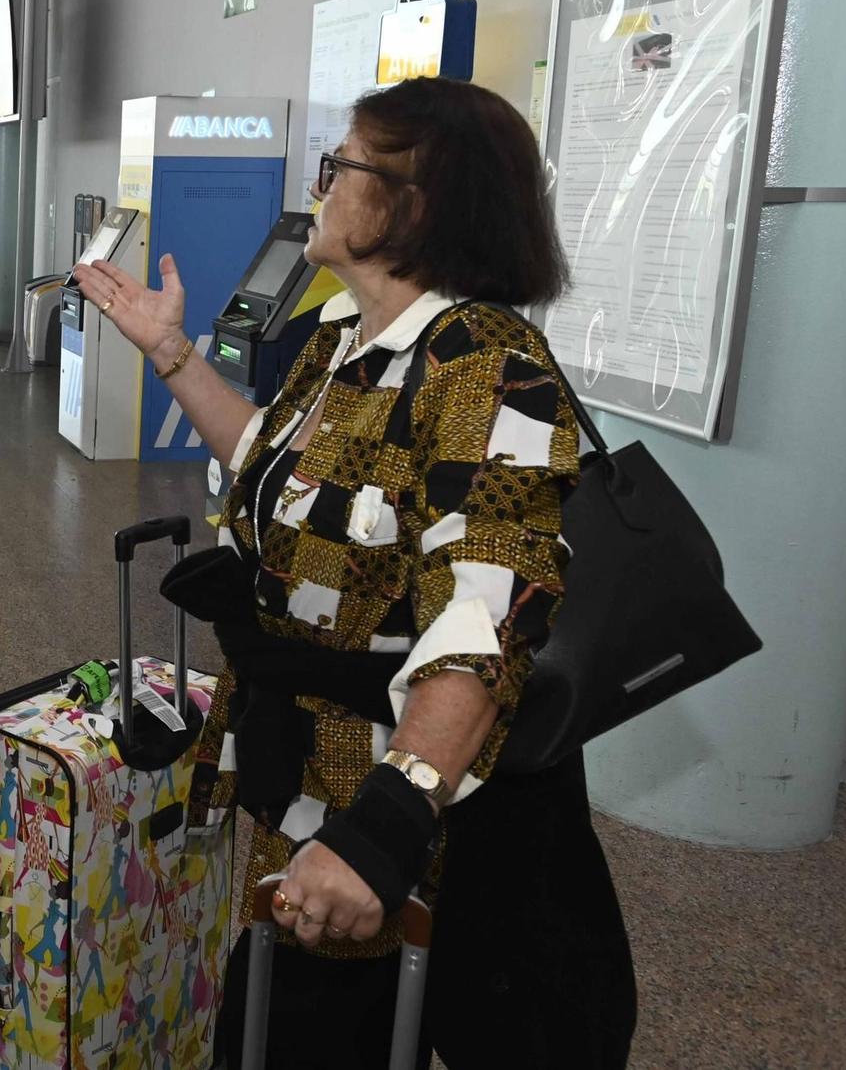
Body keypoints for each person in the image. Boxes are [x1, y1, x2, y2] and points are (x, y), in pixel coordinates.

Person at [73, 76, 635, 1070]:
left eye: (342, 164)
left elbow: (485, 607)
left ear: (410, 203)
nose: (320, 181)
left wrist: (390, 816)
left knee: (344, 1030)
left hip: (403, 792)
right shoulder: (340, 345)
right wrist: (166, 348)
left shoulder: (486, 364)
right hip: (307, 765)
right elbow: (267, 459)